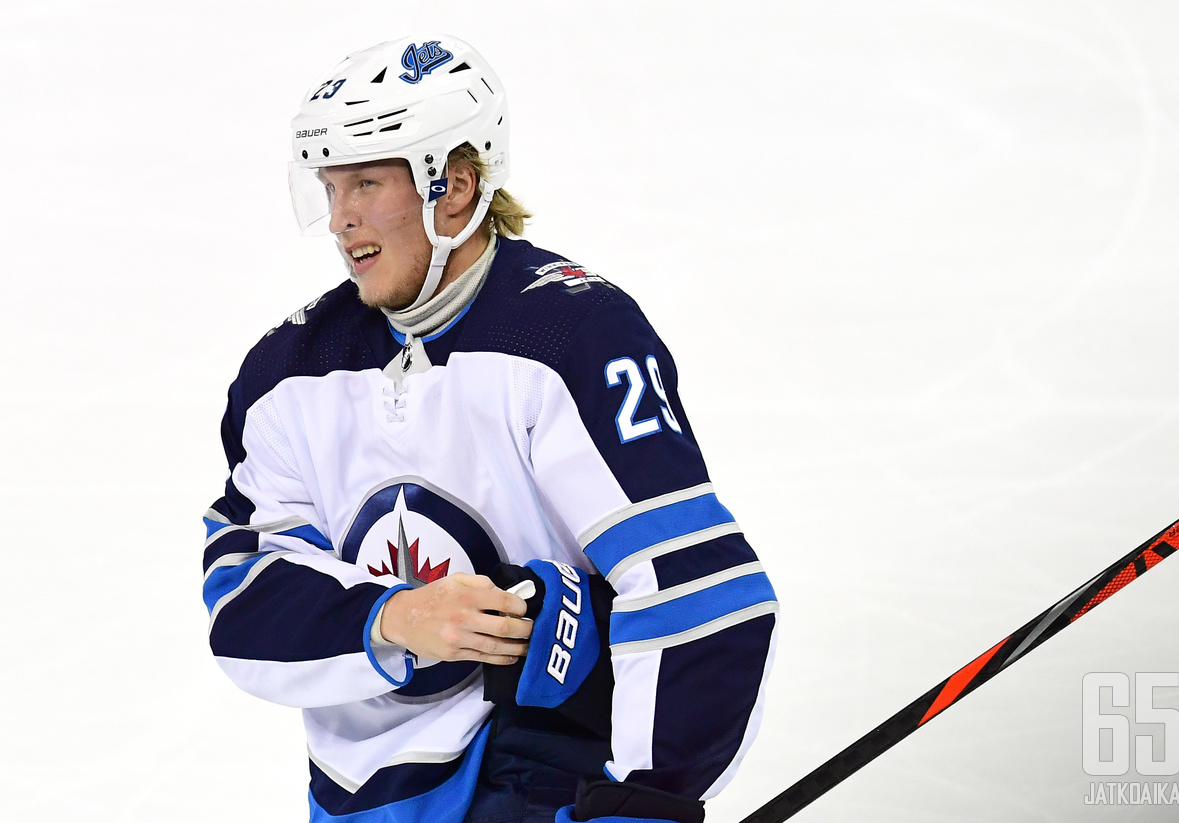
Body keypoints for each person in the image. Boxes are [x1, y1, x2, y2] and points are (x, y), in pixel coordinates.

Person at [202, 34, 778, 823]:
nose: (342, 220)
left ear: (459, 188)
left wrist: (644, 800)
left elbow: (696, 590)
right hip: (362, 800)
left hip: (542, 775)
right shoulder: (288, 374)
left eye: (367, 182)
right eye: (331, 188)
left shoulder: (572, 336)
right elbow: (243, 599)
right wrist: (395, 617)